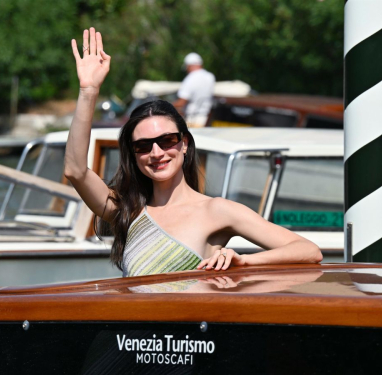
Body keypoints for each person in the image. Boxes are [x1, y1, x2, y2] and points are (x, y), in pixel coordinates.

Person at [64, 28, 322, 277]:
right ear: (133, 155)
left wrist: (244, 261)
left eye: (167, 140)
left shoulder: (217, 210)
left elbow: (308, 250)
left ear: (184, 143)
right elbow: (75, 170)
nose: (156, 152)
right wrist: (88, 92)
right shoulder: (129, 210)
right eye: (143, 146)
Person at [172, 52, 215, 128]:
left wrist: (166, 105)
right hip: (206, 119)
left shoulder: (190, 78)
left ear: (189, 65)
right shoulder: (210, 77)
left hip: (192, 120)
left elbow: (181, 102)